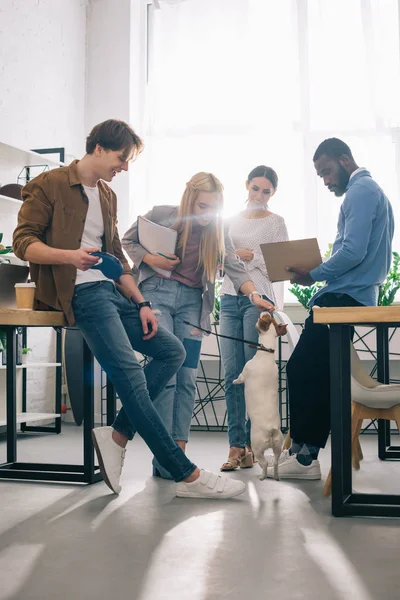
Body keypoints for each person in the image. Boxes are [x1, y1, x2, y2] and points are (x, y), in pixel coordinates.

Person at [12, 119, 248, 500]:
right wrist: (70, 256)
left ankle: (117, 435)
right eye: (121, 159)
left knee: (170, 351)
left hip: (115, 294)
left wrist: (142, 302)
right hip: (80, 294)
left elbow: (118, 257)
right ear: (100, 148)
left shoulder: (106, 196)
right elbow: (23, 243)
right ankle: (186, 475)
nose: (123, 168)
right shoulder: (50, 184)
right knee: (133, 381)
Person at [122, 173, 275, 479]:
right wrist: (152, 258)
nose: (207, 214)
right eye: (202, 206)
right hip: (158, 297)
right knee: (167, 376)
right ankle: (165, 456)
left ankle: (178, 454)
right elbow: (127, 240)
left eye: (213, 208)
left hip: (193, 302)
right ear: (189, 198)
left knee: (188, 377)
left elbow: (233, 264)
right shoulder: (162, 214)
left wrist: (255, 294)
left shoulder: (217, 229)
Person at [266, 137, 394, 479]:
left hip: (343, 298)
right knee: (316, 370)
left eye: (327, 171)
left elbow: (352, 252)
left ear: (345, 159)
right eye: (320, 175)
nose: (325, 181)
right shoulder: (370, 191)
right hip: (352, 294)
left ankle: (305, 458)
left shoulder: (360, 192)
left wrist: (315, 274)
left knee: (302, 369)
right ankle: (304, 455)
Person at [218, 165, 288, 471]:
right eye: (255, 188)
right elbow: (220, 258)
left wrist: (251, 256)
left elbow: (282, 265)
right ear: (246, 186)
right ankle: (237, 447)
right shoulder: (229, 221)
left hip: (259, 301)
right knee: (231, 373)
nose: (259, 195)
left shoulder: (276, 223)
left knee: (251, 375)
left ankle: (252, 443)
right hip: (229, 297)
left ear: (273, 193)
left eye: (266, 191)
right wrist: (230, 261)